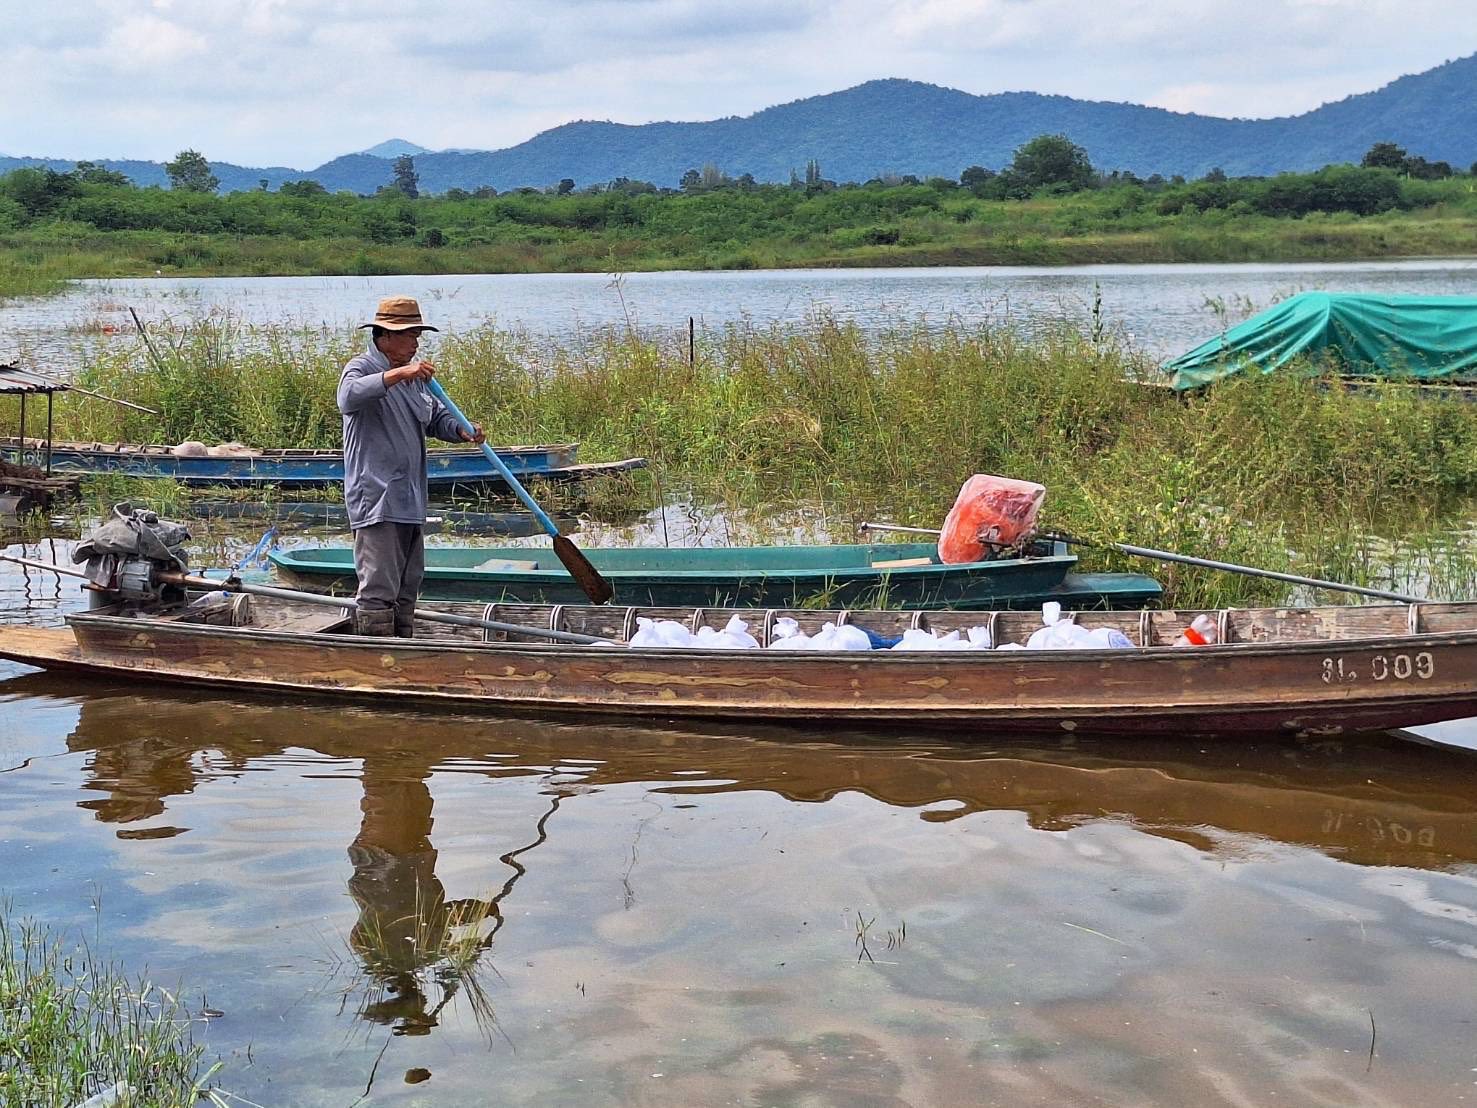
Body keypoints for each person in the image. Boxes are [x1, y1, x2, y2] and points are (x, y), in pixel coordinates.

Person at [338, 296, 483, 638]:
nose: (416, 343)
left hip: (410, 498)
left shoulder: (418, 379)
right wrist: (400, 373)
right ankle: (376, 658)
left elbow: (435, 417)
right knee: (379, 587)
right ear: (384, 336)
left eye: (418, 334)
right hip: (378, 497)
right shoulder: (361, 367)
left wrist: (461, 430)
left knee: (409, 584)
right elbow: (348, 397)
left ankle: (403, 648)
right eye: (409, 335)